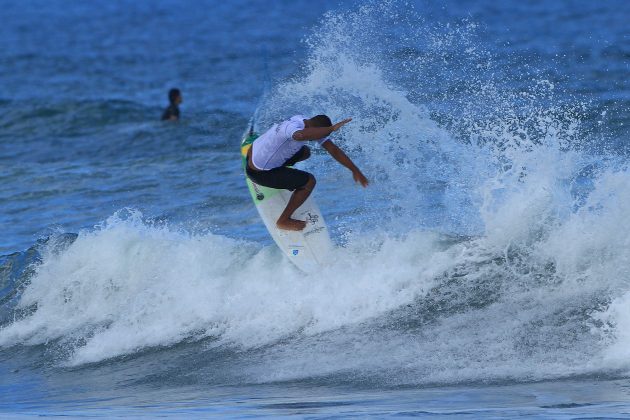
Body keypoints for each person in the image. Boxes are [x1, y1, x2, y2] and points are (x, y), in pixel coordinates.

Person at [246, 115, 369, 231]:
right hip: (258, 172)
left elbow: (333, 149)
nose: (313, 139)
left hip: (253, 152)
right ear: (315, 128)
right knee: (309, 182)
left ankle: (284, 177)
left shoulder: (301, 119)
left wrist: (355, 169)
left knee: (305, 152)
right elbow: (300, 135)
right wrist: (331, 129)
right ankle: (283, 221)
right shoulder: (293, 129)